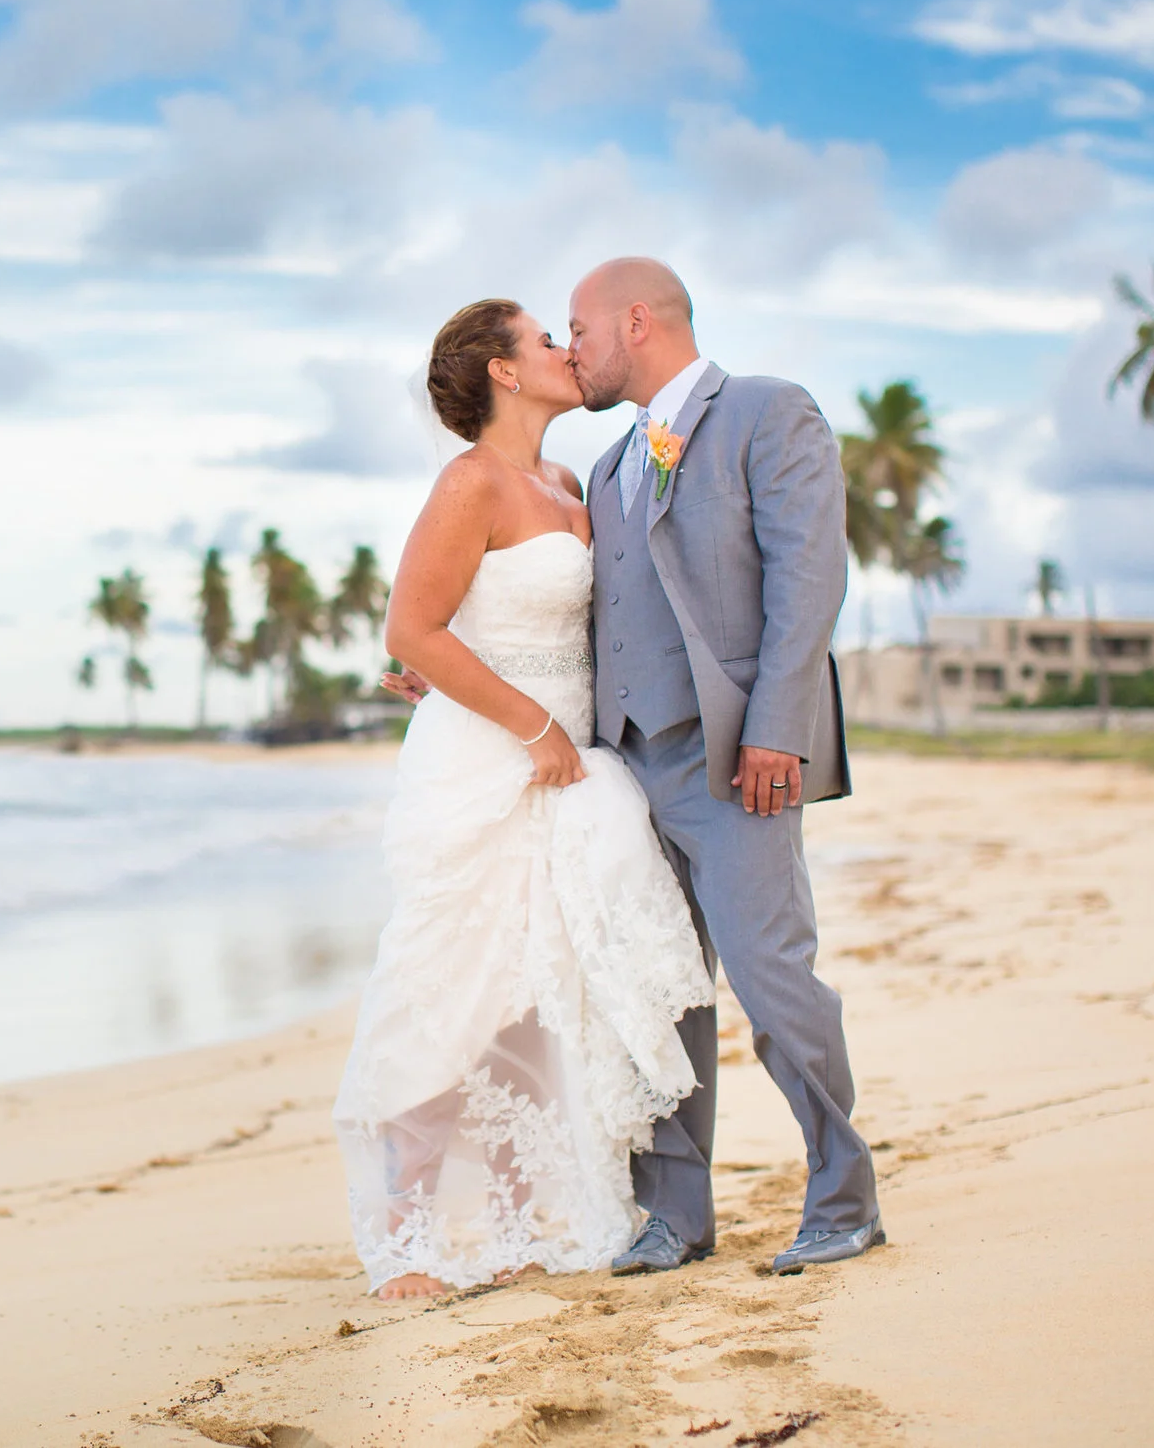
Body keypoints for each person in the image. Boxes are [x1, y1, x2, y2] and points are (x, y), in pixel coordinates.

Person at [333, 297, 711, 1300]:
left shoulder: (569, 479)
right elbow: (412, 629)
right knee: (451, 985)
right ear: (504, 370)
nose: (562, 348)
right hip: (487, 762)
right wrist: (529, 724)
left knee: (533, 989)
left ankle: (508, 1219)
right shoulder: (472, 480)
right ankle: (407, 1235)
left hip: (568, 761)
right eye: (543, 338)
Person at [563, 256, 882, 1277]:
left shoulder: (764, 410)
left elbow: (807, 570)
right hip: (625, 768)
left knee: (770, 975)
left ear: (637, 321)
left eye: (578, 328)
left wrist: (777, 727)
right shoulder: (609, 465)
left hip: (734, 755)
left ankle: (843, 1196)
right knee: (660, 993)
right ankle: (675, 1214)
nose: (570, 350)